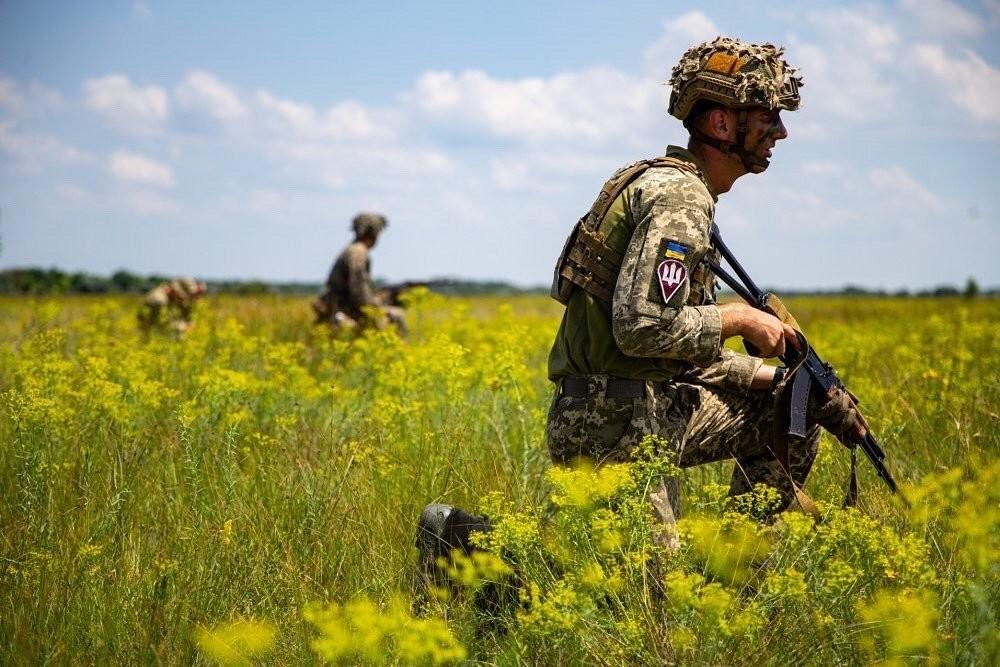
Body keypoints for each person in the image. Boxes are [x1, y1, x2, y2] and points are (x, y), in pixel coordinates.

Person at [418, 37, 867, 566]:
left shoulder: (671, 187)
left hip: (650, 405)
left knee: (788, 409)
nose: (781, 131)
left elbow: (673, 342)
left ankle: (731, 575)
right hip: (614, 418)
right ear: (722, 124)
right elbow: (643, 327)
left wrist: (780, 381)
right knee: (626, 598)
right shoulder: (680, 198)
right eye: (766, 116)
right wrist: (739, 316)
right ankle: (459, 539)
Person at [313, 212, 407, 335]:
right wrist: (375, 307)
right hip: (343, 310)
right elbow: (359, 292)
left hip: (341, 307)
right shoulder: (358, 252)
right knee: (397, 316)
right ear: (372, 233)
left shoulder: (352, 249)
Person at [137, 277, 206, 337]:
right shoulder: (159, 300)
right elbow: (158, 325)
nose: (185, 299)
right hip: (153, 334)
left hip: (154, 333)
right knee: (178, 334)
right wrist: (182, 327)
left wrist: (188, 322)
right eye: (183, 295)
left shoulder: (173, 298)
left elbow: (186, 313)